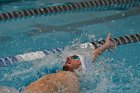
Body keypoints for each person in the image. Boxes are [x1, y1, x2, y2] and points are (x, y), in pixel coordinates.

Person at [21, 33, 115, 93]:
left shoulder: (71, 78)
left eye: (74, 57)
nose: (69, 57)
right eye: (70, 56)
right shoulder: (65, 74)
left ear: (80, 67)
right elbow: (90, 57)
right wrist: (105, 46)